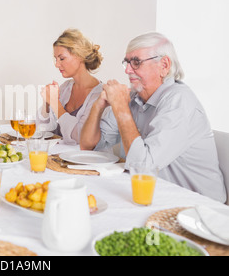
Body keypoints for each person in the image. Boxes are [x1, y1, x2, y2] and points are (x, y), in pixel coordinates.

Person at [80, 32, 226, 203]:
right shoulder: (134, 97)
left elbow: (142, 168)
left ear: (164, 65)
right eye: (127, 63)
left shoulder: (179, 101)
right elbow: (88, 146)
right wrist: (98, 105)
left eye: (136, 62)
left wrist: (120, 107)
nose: (127, 70)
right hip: (158, 197)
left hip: (199, 209)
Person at [38, 29, 103, 144]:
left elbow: (81, 137)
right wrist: (47, 104)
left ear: (80, 56)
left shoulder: (100, 95)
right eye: (56, 59)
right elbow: (42, 131)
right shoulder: (65, 88)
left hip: (87, 161)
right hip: (60, 159)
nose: (57, 64)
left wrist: (55, 104)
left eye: (62, 58)